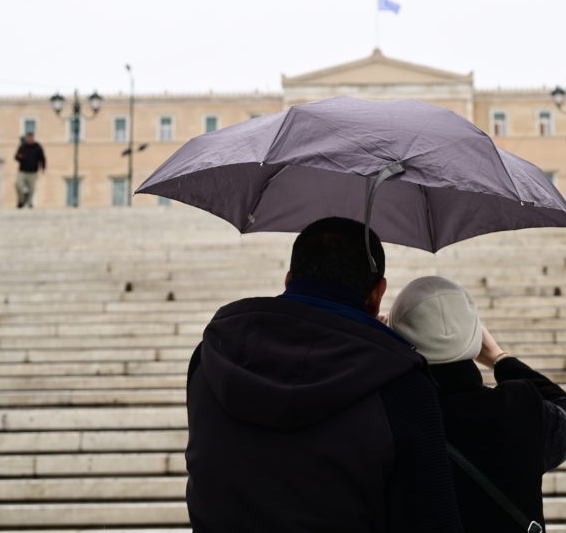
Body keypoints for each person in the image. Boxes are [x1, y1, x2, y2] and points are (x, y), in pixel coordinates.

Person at [184, 217, 463, 533]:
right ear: (377, 293)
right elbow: (433, 518)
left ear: (289, 280)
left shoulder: (210, 355)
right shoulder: (401, 383)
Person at [387, 276, 566, 533]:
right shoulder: (518, 407)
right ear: (475, 336)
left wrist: (377, 343)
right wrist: (500, 358)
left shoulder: (390, 411)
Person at [14, 132, 45, 208]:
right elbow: (16, 157)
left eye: (31, 137)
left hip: (33, 171)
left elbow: (42, 158)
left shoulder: (37, 147)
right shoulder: (22, 146)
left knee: (32, 188)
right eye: (28, 138)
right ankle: (21, 201)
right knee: (18, 185)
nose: (29, 139)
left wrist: (43, 167)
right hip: (22, 171)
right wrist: (20, 157)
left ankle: (30, 202)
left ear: (33, 138)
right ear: (26, 138)